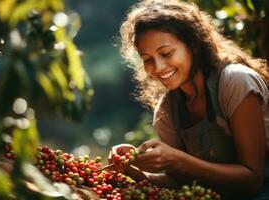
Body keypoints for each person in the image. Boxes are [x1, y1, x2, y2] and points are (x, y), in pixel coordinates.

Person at [109, 0, 269, 199]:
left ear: (193, 44)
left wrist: (177, 160)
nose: (158, 67)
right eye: (148, 59)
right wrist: (131, 169)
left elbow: (253, 179)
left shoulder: (236, 82)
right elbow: (181, 184)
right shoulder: (167, 110)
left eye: (166, 53)